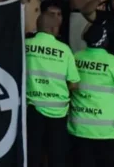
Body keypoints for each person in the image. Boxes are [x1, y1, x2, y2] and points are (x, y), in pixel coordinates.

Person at [68, 21, 114, 167]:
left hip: (78, 129)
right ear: (105, 41)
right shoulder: (113, 63)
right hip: (105, 133)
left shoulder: (75, 57)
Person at [25, 11, 79, 167]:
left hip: (32, 108)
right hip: (58, 112)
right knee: (57, 156)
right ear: (53, 28)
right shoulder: (64, 49)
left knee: (32, 154)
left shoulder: (25, 45)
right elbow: (74, 83)